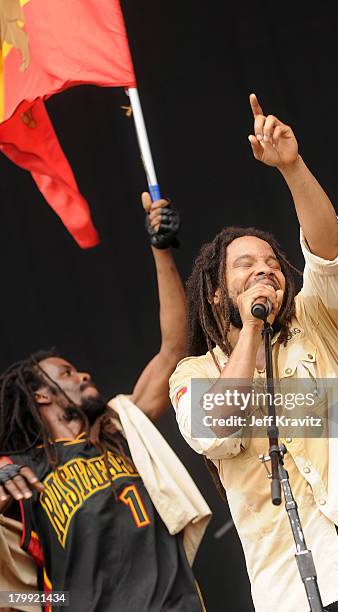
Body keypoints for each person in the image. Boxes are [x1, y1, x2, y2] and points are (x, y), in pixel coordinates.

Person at [169, 94, 338, 611]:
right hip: (288, 582)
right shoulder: (195, 373)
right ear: (217, 293)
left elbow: (331, 255)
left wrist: (292, 167)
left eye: (270, 261)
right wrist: (251, 326)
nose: (264, 269)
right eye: (245, 265)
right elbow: (211, 429)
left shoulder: (318, 323)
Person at [0, 193, 211, 612]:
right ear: (40, 396)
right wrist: (56, 601)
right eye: (65, 374)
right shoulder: (26, 470)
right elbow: (9, 597)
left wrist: (161, 250)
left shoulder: (120, 427)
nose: (82, 375)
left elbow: (174, 348)